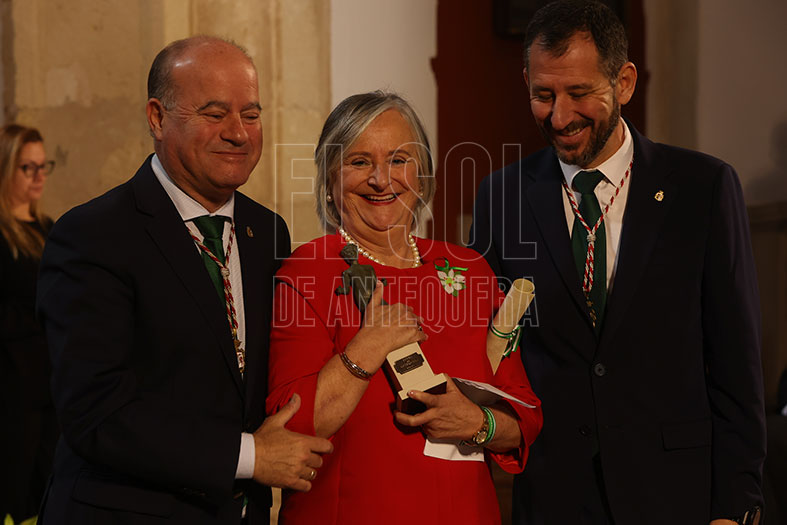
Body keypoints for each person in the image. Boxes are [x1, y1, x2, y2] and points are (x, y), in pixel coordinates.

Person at [469, 1, 767, 523]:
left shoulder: (703, 188)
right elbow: (486, 350)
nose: (559, 117)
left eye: (579, 93)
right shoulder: (502, 198)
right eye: (543, 95)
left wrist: (735, 506)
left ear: (624, 82)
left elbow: (736, 367)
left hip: (677, 497)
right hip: (554, 497)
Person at [36, 36, 333, 524]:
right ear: (157, 117)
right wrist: (250, 456)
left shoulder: (267, 231)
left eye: (251, 114)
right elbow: (96, 412)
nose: (238, 133)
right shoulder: (93, 234)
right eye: (215, 114)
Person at [266, 91, 543, 525]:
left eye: (398, 160)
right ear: (329, 179)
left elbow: (523, 418)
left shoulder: (470, 269)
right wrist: (366, 349)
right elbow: (289, 426)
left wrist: (477, 422)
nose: (382, 180)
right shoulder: (310, 269)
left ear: (423, 174)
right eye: (359, 162)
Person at [0, 124, 57, 523]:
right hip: (11, 386)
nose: (39, 177)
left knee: (46, 487)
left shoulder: (48, 228)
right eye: (27, 168)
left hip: (49, 381)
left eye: (43, 166)